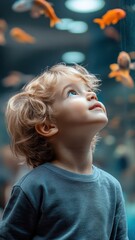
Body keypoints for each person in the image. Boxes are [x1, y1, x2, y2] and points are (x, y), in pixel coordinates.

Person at [0, 63, 128, 239]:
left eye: (89, 90)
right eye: (72, 92)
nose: (91, 95)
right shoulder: (34, 186)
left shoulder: (112, 187)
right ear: (47, 126)